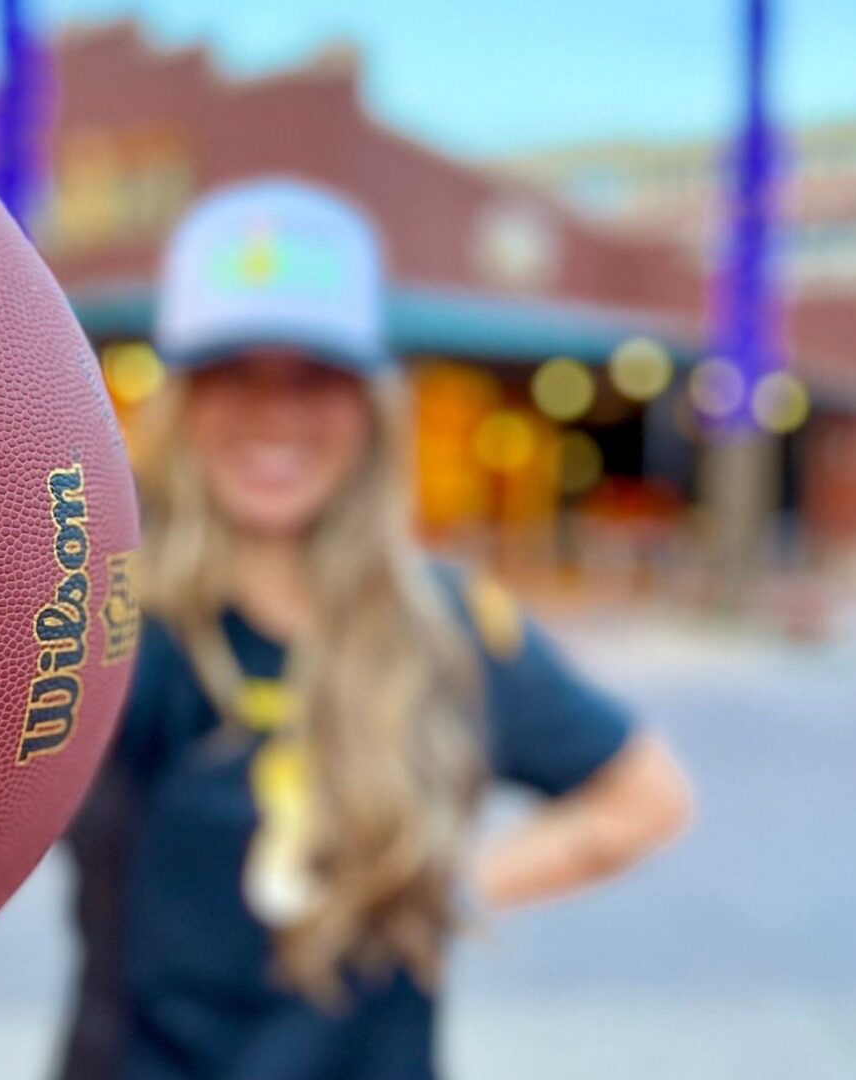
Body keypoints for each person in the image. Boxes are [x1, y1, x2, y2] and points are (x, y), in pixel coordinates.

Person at [57, 178, 692, 1080]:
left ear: (369, 406)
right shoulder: (106, 619)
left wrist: (440, 889)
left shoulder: (447, 623)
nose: (275, 413)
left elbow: (644, 799)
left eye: (313, 376)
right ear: (183, 405)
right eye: (234, 374)